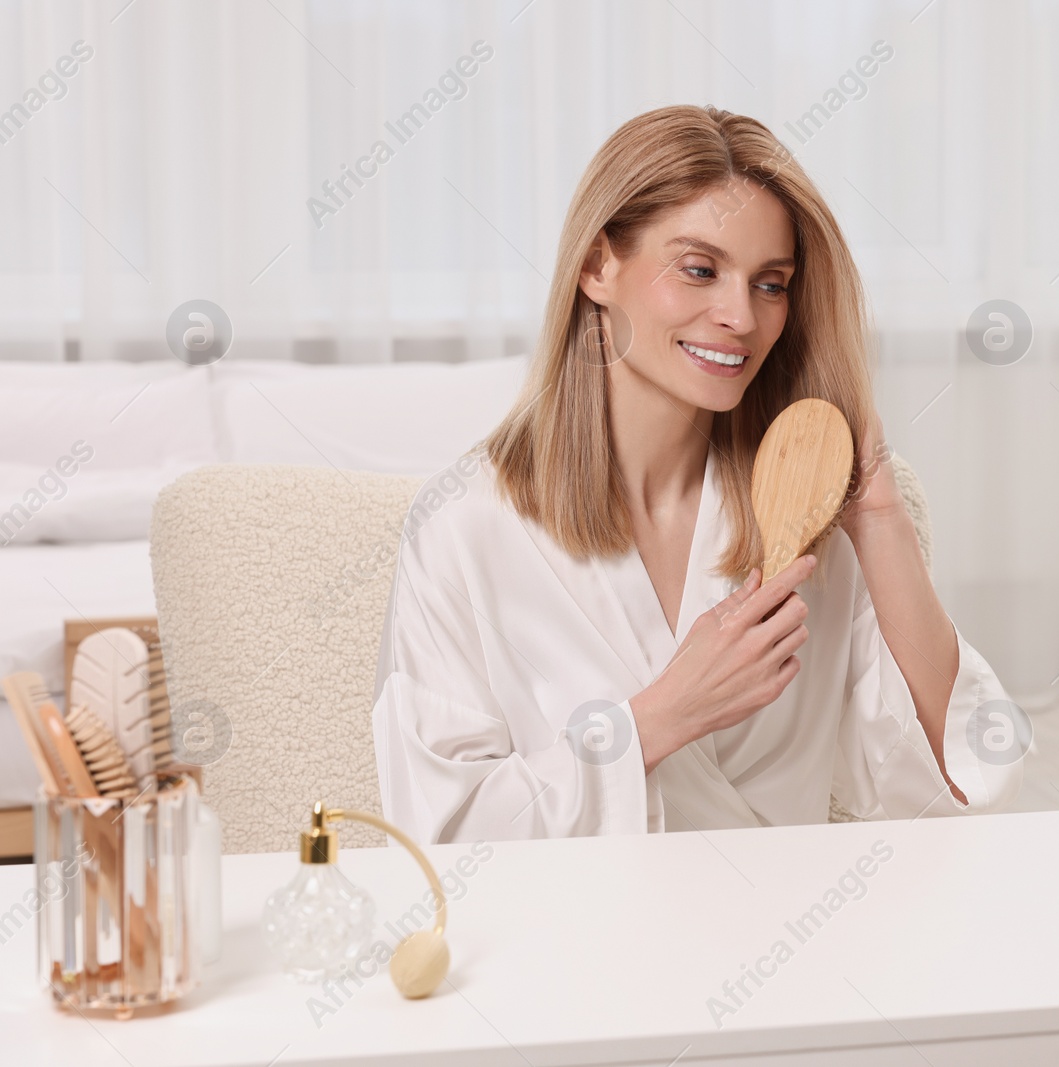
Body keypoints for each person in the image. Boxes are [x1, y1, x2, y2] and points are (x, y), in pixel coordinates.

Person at [371, 105, 1025, 842]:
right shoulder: (464, 528)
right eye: (699, 270)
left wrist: (879, 517)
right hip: (566, 945)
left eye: (771, 283)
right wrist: (661, 717)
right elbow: (440, 833)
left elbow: (963, 779)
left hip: (787, 935)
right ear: (596, 266)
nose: (740, 316)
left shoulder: (806, 516)